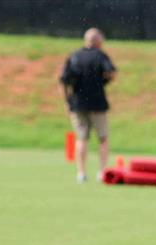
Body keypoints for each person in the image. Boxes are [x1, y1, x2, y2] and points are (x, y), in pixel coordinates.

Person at [60, 28, 116, 183]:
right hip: (98, 103)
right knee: (103, 138)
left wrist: (67, 101)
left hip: (78, 104)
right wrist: (103, 82)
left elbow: (64, 80)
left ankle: (81, 173)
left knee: (82, 138)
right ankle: (102, 172)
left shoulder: (74, 56)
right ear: (98, 41)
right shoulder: (101, 56)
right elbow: (111, 72)